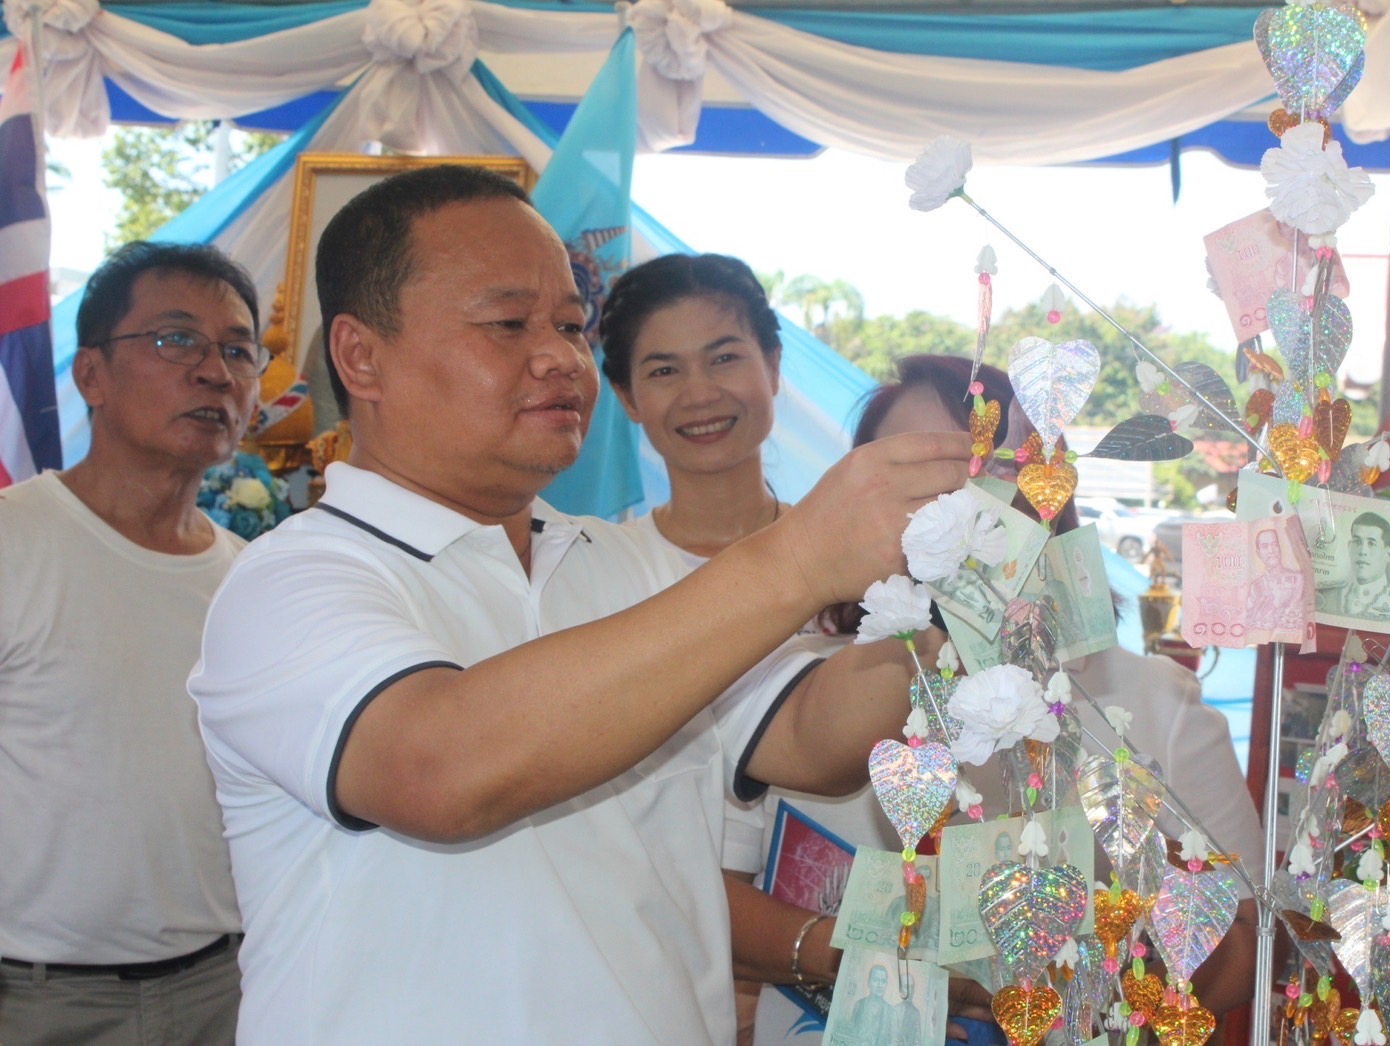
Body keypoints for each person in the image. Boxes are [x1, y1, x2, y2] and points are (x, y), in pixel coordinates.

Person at [186, 165, 971, 1043]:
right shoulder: (293, 581)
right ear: (361, 355)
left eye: (568, 324)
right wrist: (793, 560)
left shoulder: (617, 565)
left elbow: (813, 740)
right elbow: (442, 769)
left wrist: (947, 584)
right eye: (508, 323)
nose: (560, 356)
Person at [599, 254, 989, 1044]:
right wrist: (815, 958)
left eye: (725, 356)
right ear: (626, 397)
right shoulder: (606, 585)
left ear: (774, 367)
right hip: (700, 998)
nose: (701, 393)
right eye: (664, 369)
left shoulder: (873, 561)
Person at [847, 354, 1266, 1018]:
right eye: (907, 477)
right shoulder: (842, 697)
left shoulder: (1156, 703)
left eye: (974, 469)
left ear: (1042, 490)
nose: (951, 504)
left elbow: (1247, 947)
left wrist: (1113, 939)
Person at [0, 242, 262, 1044]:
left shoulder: (255, 580)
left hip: (233, 984)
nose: (215, 371)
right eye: (176, 339)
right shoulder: (17, 542)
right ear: (91, 378)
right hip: (42, 999)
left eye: (238, 348)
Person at [1316, 510, 1390, 621]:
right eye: (1357, 542)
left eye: (1371, 543)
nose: (1362, 551)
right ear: (1349, 547)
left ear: (1388, 554)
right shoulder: (1326, 597)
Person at [1245, 525, 1306, 630]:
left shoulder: (1299, 579)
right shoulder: (1255, 587)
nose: (1271, 550)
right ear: (1258, 553)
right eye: (1265, 546)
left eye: (1275, 545)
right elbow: (1249, 622)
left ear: (1280, 548)